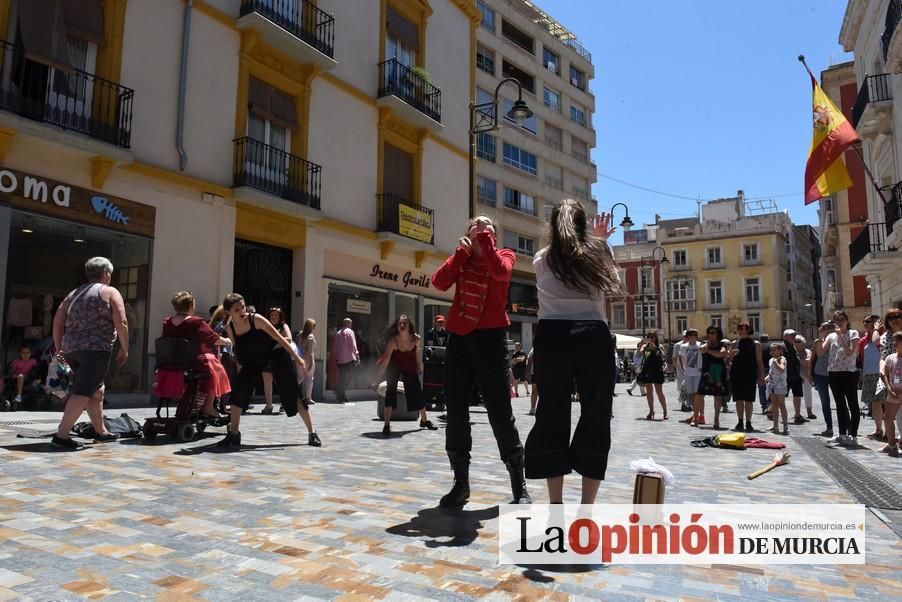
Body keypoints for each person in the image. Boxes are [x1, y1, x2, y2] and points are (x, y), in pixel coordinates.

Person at [431, 215, 530, 507]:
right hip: (460, 339)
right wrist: (460, 254)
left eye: (487, 225)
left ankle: (519, 484)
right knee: (457, 411)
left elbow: (501, 273)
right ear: (467, 233)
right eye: (475, 223)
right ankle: (460, 484)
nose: (481, 226)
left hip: (491, 340)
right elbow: (439, 282)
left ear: (493, 235)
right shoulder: (460, 259)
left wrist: (484, 240)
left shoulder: (503, 254)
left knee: (500, 412)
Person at [525, 203, 620, 505]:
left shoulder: (541, 258)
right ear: (582, 226)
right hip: (592, 334)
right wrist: (601, 240)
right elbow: (613, 285)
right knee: (596, 414)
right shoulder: (597, 253)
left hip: (552, 336)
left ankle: (556, 505)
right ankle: (586, 509)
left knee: (552, 414)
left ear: (553, 225)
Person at [50, 257, 126, 450]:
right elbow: (121, 321)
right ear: (107, 274)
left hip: (71, 349)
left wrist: (60, 349)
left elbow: (58, 321)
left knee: (96, 390)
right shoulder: (109, 291)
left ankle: (101, 432)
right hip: (95, 350)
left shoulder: (73, 294)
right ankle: (61, 436)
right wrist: (125, 348)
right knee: (83, 392)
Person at [217, 293, 306, 447]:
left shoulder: (255, 318)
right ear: (229, 312)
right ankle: (234, 434)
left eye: (243, 307)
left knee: (292, 391)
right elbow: (237, 348)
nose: (242, 311)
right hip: (254, 360)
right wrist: (239, 372)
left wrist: (297, 358)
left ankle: (312, 433)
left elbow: (280, 338)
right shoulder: (229, 327)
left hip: (276, 354)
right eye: (237, 309)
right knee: (237, 392)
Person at [159, 292, 232, 418]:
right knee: (216, 368)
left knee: (210, 364)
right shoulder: (195, 322)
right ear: (191, 305)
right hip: (192, 362)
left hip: (172, 362)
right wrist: (227, 341)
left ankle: (194, 404)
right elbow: (214, 338)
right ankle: (208, 407)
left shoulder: (167, 322)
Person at [370, 314, 437, 436]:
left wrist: (419, 366)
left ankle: (424, 420)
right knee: (390, 391)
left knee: (416, 390)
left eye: (404, 323)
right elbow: (385, 361)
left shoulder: (416, 339)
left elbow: (417, 354)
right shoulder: (393, 341)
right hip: (394, 365)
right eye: (399, 324)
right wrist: (377, 379)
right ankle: (386, 425)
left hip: (409, 365)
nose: (401, 325)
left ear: (409, 326)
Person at [825, 310, 861, 447]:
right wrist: (820, 337)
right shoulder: (831, 336)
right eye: (836, 320)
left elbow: (850, 352)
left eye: (841, 319)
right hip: (834, 372)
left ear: (846, 320)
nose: (839, 322)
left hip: (848, 372)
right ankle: (841, 434)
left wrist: (841, 336)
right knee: (840, 405)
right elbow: (821, 351)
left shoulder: (853, 333)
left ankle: (854, 435)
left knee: (852, 404)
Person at [729, 322, 766, 432]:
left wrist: (762, 375)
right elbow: (728, 360)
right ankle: (740, 421)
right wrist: (731, 355)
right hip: (737, 373)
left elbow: (759, 361)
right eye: (739, 328)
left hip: (750, 373)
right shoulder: (734, 343)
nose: (740, 330)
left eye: (743, 328)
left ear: (749, 330)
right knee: (739, 399)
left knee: (749, 399)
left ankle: (748, 422)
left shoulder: (756, 344)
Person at [260, 308, 292, 415]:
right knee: (267, 379)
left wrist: (275, 341)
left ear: (280, 317)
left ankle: (284, 403)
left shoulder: (284, 326)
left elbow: (289, 339)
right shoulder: (265, 326)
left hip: (280, 355)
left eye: (276, 315)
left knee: (281, 380)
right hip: (267, 356)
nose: (273, 317)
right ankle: (269, 405)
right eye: (272, 315)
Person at [861, 314, 887, 440]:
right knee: (875, 403)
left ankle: (890, 430)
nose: (865, 323)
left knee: (886, 403)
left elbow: (878, 342)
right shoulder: (865, 339)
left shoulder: (882, 335)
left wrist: (876, 329)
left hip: (880, 373)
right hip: (869, 373)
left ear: (876, 322)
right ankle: (878, 430)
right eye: (864, 321)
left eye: (868, 321)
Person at [697, 326, 728, 429]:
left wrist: (709, 351)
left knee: (718, 396)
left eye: (713, 333)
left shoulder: (722, 344)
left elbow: (722, 354)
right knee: (699, 395)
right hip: (706, 373)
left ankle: (716, 419)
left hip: (718, 373)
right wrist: (708, 345)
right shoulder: (704, 343)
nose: (711, 335)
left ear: (718, 334)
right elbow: (702, 350)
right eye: (709, 333)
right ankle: (696, 418)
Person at [296, 318, 321, 447]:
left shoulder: (300, 334)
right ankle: (308, 397)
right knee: (309, 379)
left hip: (299, 359)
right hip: (307, 359)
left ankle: (297, 394)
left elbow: (298, 347)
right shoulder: (310, 336)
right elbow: (310, 351)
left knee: (299, 378)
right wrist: (311, 361)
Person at [879, 308, 902, 446]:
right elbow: (883, 357)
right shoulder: (886, 337)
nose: (894, 320)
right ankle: (891, 442)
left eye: (897, 316)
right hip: (892, 377)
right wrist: (883, 372)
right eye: (890, 318)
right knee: (890, 414)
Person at [811, 321, 837, 437]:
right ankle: (829, 427)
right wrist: (810, 374)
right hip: (820, 374)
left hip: (834, 373)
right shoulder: (818, 342)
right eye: (823, 328)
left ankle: (848, 426)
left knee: (839, 400)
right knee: (825, 402)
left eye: (828, 328)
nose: (826, 329)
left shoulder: (836, 340)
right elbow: (814, 357)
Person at [639, 333, 667, 420]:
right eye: (649, 337)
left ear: (656, 338)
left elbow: (662, 355)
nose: (650, 339)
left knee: (659, 391)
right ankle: (651, 411)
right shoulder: (645, 346)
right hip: (647, 370)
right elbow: (638, 354)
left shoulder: (659, 346)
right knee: (649, 391)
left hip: (657, 370)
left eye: (652, 337)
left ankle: (665, 411)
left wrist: (654, 347)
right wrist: (641, 345)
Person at [680, 329, 703, 426]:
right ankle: (695, 414)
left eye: (695, 335)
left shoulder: (700, 345)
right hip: (688, 373)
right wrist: (683, 369)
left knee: (699, 395)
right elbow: (681, 357)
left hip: (698, 373)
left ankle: (700, 416)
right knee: (692, 395)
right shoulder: (683, 346)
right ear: (688, 337)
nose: (693, 337)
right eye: (691, 335)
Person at [332, 318, 359, 403]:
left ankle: (342, 395)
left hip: (340, 359)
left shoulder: (338, 333)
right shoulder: (350, 332)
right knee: (351, 376)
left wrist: (336, 357)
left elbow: (335, 347)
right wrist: (357, 354)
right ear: (348, 324)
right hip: (349, 359)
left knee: (342, 378)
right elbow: (353, 345)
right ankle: (339, 391)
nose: (351, 326)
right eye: (351, 324)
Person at [766, 342, 789, 434]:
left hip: (780, 386)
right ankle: (775, 426)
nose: (772, 352)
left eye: (774, 350)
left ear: (780, 351)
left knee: (782, 405)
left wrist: (776, 362)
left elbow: (782, 369)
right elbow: (772, 372)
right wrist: (766, 378)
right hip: (772, 385)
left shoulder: (782, 359)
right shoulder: (771, 360)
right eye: (771, 350)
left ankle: (785, 426)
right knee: (774, 405)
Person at [795, 335, 817, 421]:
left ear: (803, 343)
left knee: (808, 394)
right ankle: (797, 413)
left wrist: (797, 359)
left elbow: (807, 363)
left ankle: (809, 412)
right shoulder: (793, 352)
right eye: (795, 342)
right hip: (795, 376)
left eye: (798, 341)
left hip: (805, 375)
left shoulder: (807, 351)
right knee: (796, 396)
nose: (796, 343)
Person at [672, 331, 690, 412]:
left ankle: (688, 403)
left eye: (687, 336)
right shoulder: (678, 345)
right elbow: (674, 357)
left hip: (690, 368)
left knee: (689, 386)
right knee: (681, 386)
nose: (686, 337)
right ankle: (683, 404)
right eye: (685, 336)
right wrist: (675, 367)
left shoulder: (692, 344)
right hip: (680, 369)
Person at [758, 334, 772, 413]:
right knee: (770, 387)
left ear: (759, 339)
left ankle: (763, 405)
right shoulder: (770, 346)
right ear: (767, 339)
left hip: (760, 369)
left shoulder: (758, 347)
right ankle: (769, 403)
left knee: (761, 388)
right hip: (769, 368)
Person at [526, 347, 538, 415]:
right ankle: (533, 408)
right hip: (535, 373)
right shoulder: (533, 349)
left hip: (546, 373)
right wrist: (527, 372)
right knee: (534, 390)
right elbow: (529, 360)